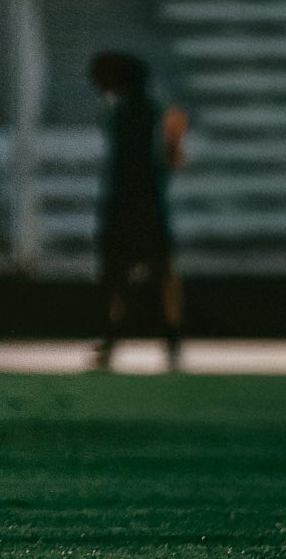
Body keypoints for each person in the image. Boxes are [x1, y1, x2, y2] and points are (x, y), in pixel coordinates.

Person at [88, 50, 186, 373]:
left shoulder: (121, 112)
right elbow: (172, 159)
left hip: (124, 203)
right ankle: (171, 341)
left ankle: (111, 338)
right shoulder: (156, 111)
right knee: (163, 274)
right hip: (148, 202)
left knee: (114, 276)